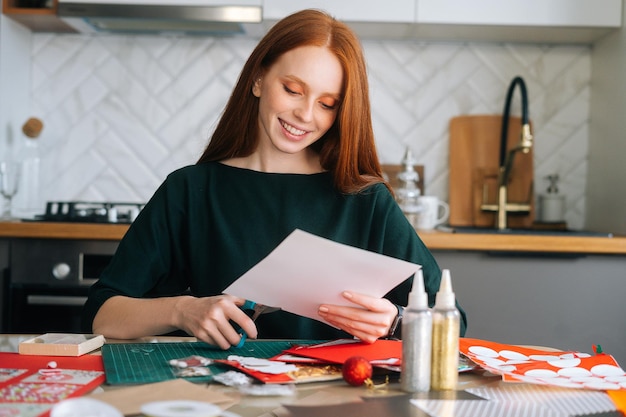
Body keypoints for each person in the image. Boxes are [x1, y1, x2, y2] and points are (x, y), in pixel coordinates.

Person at [82, 9, 467, 349]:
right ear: (258, 80)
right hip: (217, 400)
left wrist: (396, 320)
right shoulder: (190, 190)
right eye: (293, 90)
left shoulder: (364, 200)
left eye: (327, 104)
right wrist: (183, 310)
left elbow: (455, 321)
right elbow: (102, 314)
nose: (305, 114)